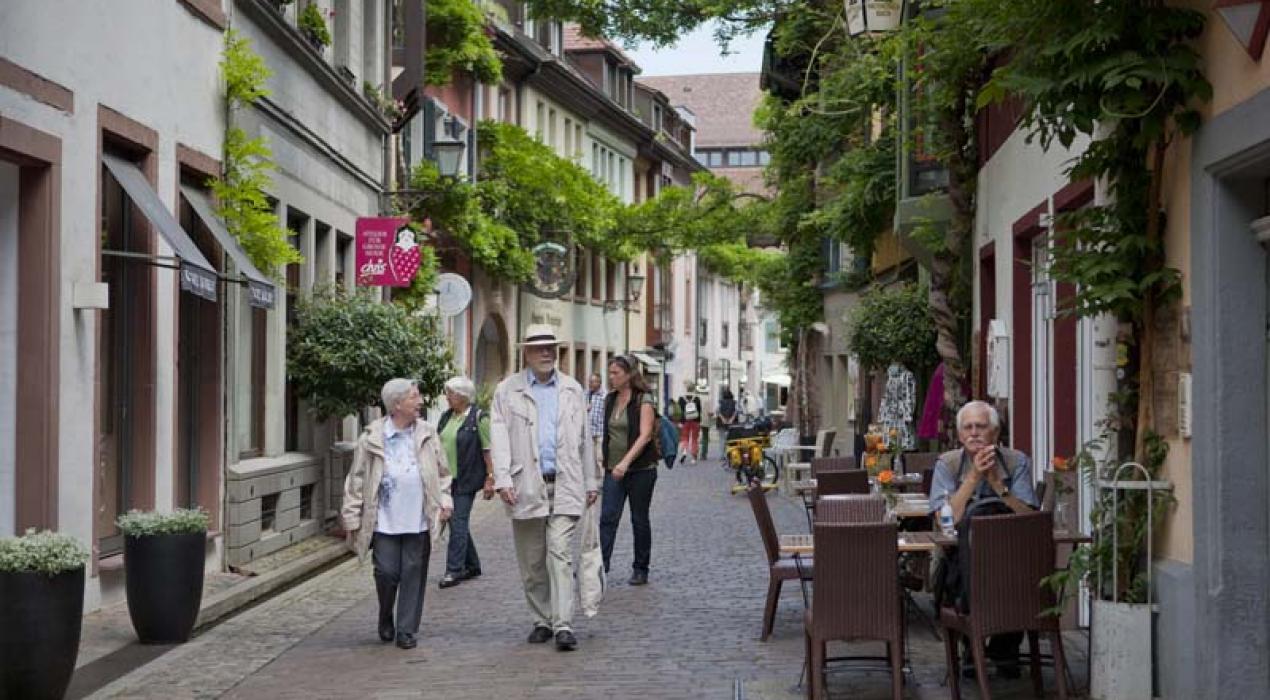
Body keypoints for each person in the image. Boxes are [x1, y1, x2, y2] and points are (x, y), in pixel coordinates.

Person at [490, 324, 597, 652]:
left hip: (565, 483)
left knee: (559, 554)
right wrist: (504, 478)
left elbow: (585, 441)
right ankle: (542, 619)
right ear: (527, 353)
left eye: (551, 347)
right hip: (526, 485)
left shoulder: (572, 389)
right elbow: (499, 437)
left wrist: (591, 480)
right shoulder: (507, 391)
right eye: (539, 348)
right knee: (532, 560)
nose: (547, 353)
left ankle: (563, 624)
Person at [928, 399, 1038, 677]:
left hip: (1012, 559)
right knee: (958, 571)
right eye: (968, 427)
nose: (974, 433)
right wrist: (974, 477)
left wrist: (997, 485)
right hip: (963, 560)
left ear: (996, 433)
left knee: (1016, 572)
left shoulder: (1016, 462)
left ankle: (1004, 646)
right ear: (960, 434)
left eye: (981, 426)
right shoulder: (948, 464)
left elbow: (1030, 518)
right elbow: (945, 521)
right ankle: (973, 643)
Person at [341, 379, 453, 650]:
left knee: (414, 572)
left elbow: (443, 473)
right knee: (386, 573)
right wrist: (352, 516)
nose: (421, 402)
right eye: (415, 398)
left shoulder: (427, 433)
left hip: (418, 518)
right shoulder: (371, 438)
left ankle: (406, 630)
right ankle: (385, 614)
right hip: (383, 520)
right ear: (397, 404)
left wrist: (445, 501)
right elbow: (356, 480)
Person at [599, 355, 659, 586]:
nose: (611, 377)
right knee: (607, 517)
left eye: (616, 373)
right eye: (610, 373)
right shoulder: (610, 399)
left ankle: (640, 568)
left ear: (629, 375)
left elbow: (645, 435)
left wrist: (626, 462)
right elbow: (607, 432)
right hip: (612, 468)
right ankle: (601, 565)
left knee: (639, 518)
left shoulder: (643, 399)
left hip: (640, 469)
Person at [436, 376, 495, 589]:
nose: (447, 397)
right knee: (456, 522)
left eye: (450, 393)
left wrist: (490, 478)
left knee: (457, 521)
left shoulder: (479, 418)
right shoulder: (446, 417)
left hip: (466, 479)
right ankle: (472, 564)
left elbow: (488, 451)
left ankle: (454, 569)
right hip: (445, 479)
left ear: (462, 396)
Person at [586, 373, 606, 469]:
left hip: (600, 432)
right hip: (589, 432)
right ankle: (594, 479)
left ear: (599, 383)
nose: (591, 384)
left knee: (599, 457)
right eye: (590, 382)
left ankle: (602, 479)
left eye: (593, 382)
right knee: (590, 459)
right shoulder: (586, 395)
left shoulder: (605, 396)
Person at [677, 393, 702, 463]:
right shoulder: (697, 398)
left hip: (685, 421)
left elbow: (679, 411)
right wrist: (699, 421)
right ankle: (694, 458)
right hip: (695, 420)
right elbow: (700, 410)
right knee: (694, 439)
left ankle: (684, 451)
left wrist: (679, 421)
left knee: (685, 437)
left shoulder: (681, 399)